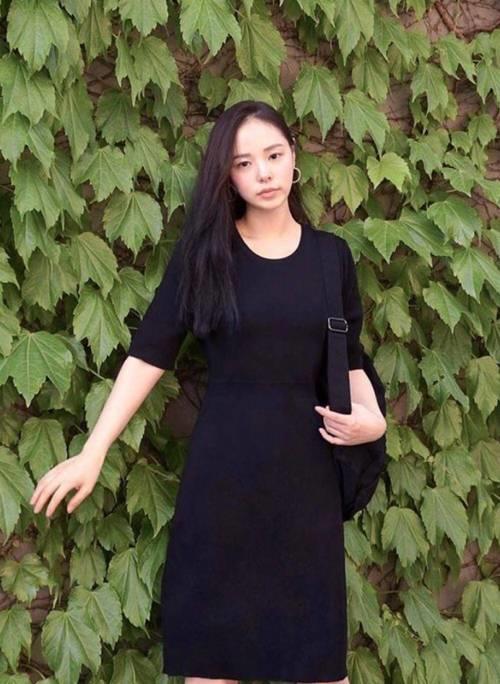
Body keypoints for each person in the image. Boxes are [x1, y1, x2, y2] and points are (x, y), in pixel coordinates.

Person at [30, 100, 386, 684]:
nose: (263, 173)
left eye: (273, 155)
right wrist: (93, 452)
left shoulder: (331, 258)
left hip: (307, 491)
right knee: (214, 665)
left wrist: (375, 422)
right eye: (244, 163)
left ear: (294, 157)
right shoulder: (207, 255)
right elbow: (150, 352)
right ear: (228, 176)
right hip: (223, 488)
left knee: (320, 667)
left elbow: (348, 361)